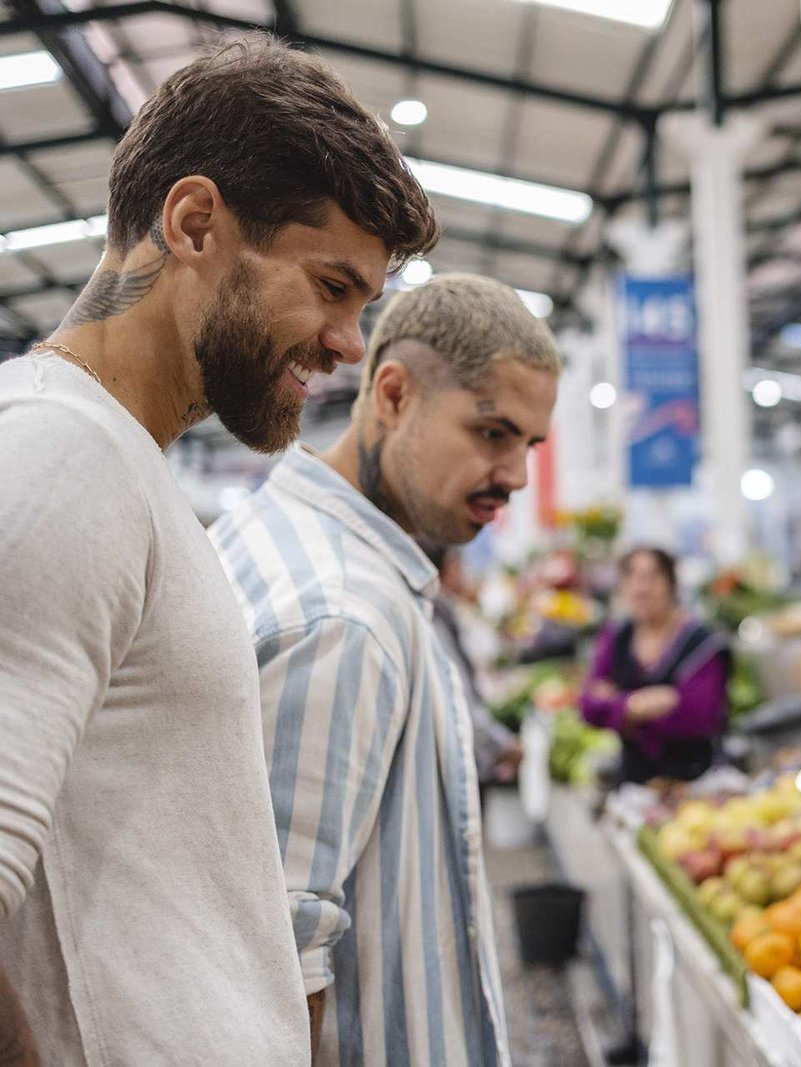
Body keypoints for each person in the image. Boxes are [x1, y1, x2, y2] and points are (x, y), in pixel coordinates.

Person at [0, 35, 437, 1066]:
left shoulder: (120, 466)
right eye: (332, 285)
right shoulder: (60, 461)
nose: (346, 342)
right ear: (195, 221)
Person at [210, 274, 559, 1066]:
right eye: (493, 432)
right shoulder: (345, 616)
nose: (516, 476)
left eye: (529, 445)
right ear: (395, 394)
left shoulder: (280, 538)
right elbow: (274, 966)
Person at [580, 547, 732, 784]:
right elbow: (588, 707)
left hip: (697, 781)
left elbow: (698, 718)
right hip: (634, 782)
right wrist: (637, 705)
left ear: (671, 583)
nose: (641, 589)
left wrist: (618, 709)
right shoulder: (616, 636)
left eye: (651, 578)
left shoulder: (702, 644)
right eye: (632, 578)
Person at [427, 544, 526, 783]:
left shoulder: (446, 610)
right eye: (458, 565)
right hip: (460, 758)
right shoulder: (435, 616)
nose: (464, 572)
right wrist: (499, 742)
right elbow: (457, 697)